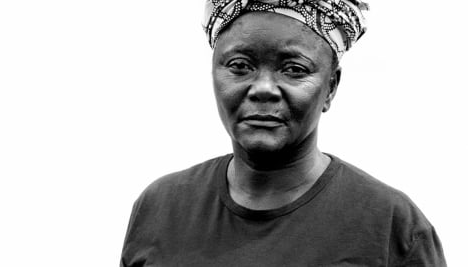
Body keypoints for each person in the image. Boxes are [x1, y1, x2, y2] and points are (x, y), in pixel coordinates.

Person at [120, 0, 446, 266]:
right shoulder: (160, 208)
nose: (263, 89)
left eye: (294, 69)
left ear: (330, 87)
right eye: (239, 65)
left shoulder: (391, 226)